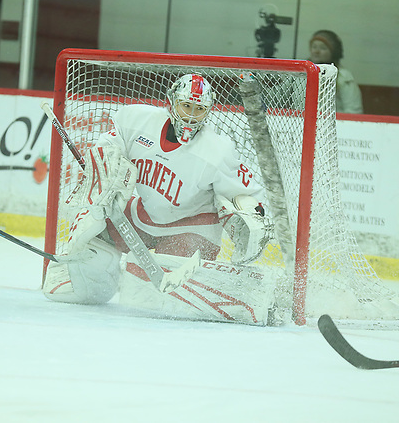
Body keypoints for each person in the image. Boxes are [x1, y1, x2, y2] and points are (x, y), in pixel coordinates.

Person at [43, 73, 279, 325]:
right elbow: (107, 149)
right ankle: (89, 285)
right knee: (94, 233)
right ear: (171, 102)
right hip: (145, 213)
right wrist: (106, 174)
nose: (190, 115)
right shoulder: (136, 121)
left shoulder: (217, 151)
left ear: (208, 111)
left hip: (193, 226)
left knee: (150, 293)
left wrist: (252, 216)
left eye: (199, 109)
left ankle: (227, 295)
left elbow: (246, 193)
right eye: (186, 105)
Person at [309, 29, 364, 114]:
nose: (316, 51)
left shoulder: (343, 77)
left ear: (333, 52)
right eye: (314, 47)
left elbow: (353, 110)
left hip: (334, 125)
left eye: (323, 48)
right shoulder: (300, 73)